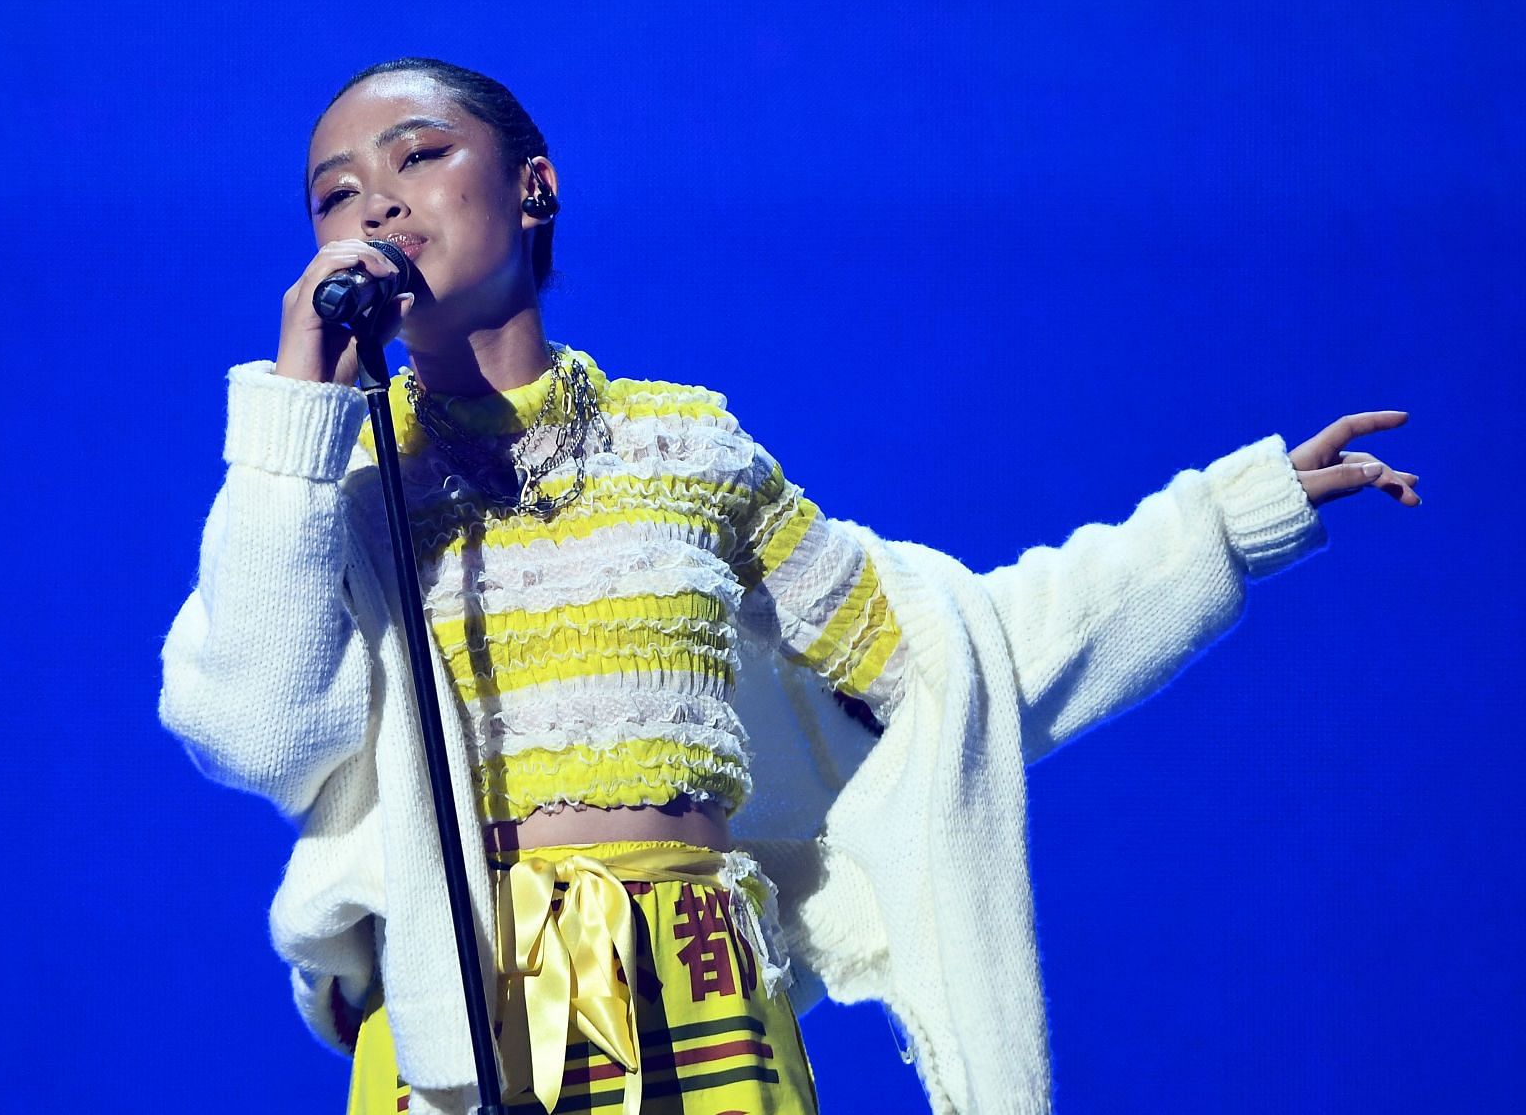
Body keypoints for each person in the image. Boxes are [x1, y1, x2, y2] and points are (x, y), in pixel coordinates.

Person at [157, 57, 1420, 1115]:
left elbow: (944, 663)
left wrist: (1228, 520)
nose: (376, 202)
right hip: (466, 1010)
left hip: (702, 990)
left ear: (533, 185)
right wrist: (294, 420)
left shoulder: (690, 449)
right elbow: (255, 728)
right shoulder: (335, 478)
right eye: (335, 193)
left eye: (418, 155)